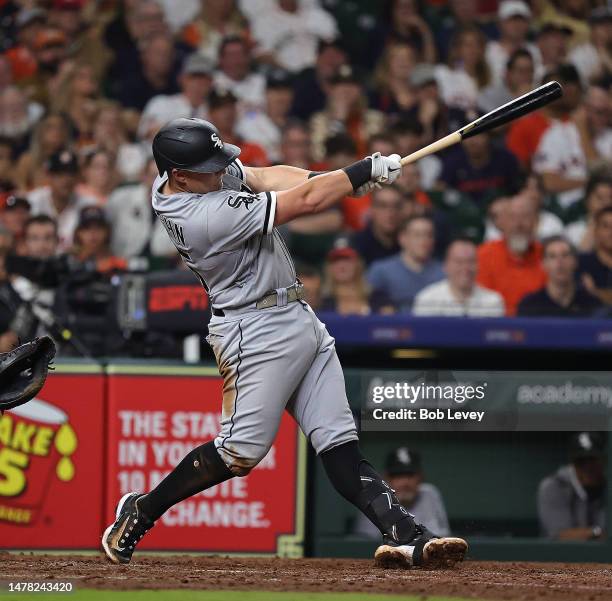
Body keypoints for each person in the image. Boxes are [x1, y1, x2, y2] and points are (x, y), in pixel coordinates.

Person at [101, 116, 467, 569]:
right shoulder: (203, 216)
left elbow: (265, 175)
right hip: (252, 331)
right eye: (210, 168)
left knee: (338, 440)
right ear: (178, 175)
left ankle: (410, 536)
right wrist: (355, 174)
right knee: (240, 453)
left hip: (296, 314)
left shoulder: (194, 177)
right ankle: (143, 509)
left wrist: (338, 180)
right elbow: (306, 203)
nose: (221, 171)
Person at [353, 448, 450, 539]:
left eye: (409, 475)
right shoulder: (374, 497)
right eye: (397, 476)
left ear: (420, 477)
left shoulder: (429, 494)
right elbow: (364, 541)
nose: (404, 483)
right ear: (386, 479)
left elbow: (441, 538)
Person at [477, 194, 547, 315]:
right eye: (512, 217)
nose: (518, 224)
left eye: (525, 217)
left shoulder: (548, 256)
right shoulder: (482, 255)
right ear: (502, 223)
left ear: (536, 222)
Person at [367, 215, 445, 312]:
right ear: (402, 238)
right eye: (417, 235)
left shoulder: (444, 272)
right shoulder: (381, 271)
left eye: (429, 235)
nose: (424, 240)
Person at [537, 432, 606, 540]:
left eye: (593, 460)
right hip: (560, 556)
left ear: (603, 460)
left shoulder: (607, 485)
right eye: (581, 461)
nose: (588, 467)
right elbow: (560, 536)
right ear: (572, 462)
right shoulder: (554, 486)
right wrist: (597, 532)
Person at [413, 238, 505, 317]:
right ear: (446, 265)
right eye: (459, 262)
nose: (465, 268)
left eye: (470, 262)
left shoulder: (493, 301)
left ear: (478, 265)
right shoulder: (427, 299)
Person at [27, 148, 95, 251]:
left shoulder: (87, 205)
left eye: (71, 174)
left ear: (78, 177)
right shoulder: (32, 201)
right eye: (59, 174)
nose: (66, 180)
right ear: (48, 176)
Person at [439, 123, 521, 206]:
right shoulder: (453, 160)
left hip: (502, 211)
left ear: (488, 136)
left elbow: (518, 190)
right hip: (462, 214)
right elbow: (439, 190)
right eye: (467, 136)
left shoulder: (506, 159)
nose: (473, 141)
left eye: (478, 134)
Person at [517, 236, 602, 317]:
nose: (560, 262)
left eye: (565, 255)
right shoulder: (529, 305)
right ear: (543, 264)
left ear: (575, 262)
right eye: (552, 256)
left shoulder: (593, 305)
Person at [138, 53, 214, 141]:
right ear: (182, 79)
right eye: (193, 77)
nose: (198, 83)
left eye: (204, 79)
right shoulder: (161, 103)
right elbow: (150, 134)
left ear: (211, 83)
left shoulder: (214, 113)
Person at [250, 0, 337, 73]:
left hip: (322, 74)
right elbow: (261, 55)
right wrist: (287, 71)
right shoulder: (262, 22)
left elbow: (334, 46)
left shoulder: (320, 16)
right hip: (285, 77)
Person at [320, 243, 389, 315]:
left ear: (358, 265)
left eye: (347, 260)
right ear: (328, 268)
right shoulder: (321, 301)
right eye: (335, 261)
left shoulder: (378, 298)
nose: (342, 266)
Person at [485, 0, 539, 85]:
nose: (517, 25)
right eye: (511, 20)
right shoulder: (488, 51)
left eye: (521, 20)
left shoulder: (535, 51)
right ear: (499, 23)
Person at [213, 35, 266, 112]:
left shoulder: (262, 83)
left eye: (240, 54)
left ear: (248, 57)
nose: (236, 61)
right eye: (231, 55)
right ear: (221, 59)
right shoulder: (211, 84)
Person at [352, 185, 402, 266]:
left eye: (396, 206)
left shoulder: (410, 246)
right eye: (383, 206)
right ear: (372, 210)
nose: (391, 213)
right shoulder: (357, 245)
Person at [566, 174, 612, 252]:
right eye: (600, 198)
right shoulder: (573, 230)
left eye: (610, 197)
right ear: (587, 200)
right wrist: (593, 225)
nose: (606, 203)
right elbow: (578, 260)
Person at [578, 206, 612, 305]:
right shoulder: (581, 263)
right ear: (596, 230)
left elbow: (590, 293)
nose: (611, 232)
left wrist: (595, 292)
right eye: (606, 226)